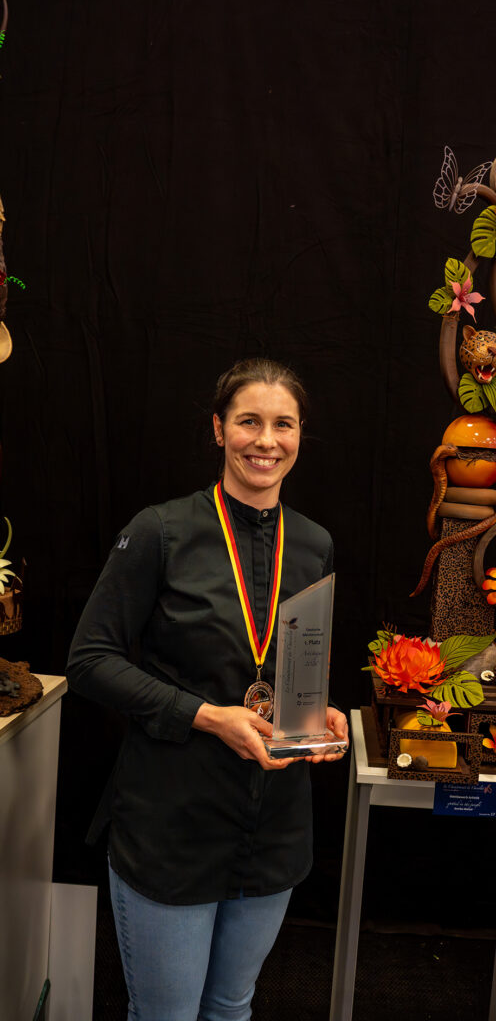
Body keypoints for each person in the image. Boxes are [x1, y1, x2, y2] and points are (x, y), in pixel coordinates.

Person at [67, 358, 348, 1021]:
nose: (266, 440)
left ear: (300, 435)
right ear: (218, 430)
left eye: (283, 424)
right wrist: (206, 716)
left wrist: (313, 712)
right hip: (171, 822)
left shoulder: (313, 544)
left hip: (272, 822)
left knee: (230, 1008)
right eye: (248, 421)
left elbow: (291, 666)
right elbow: (89, 660)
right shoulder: (162, 531)